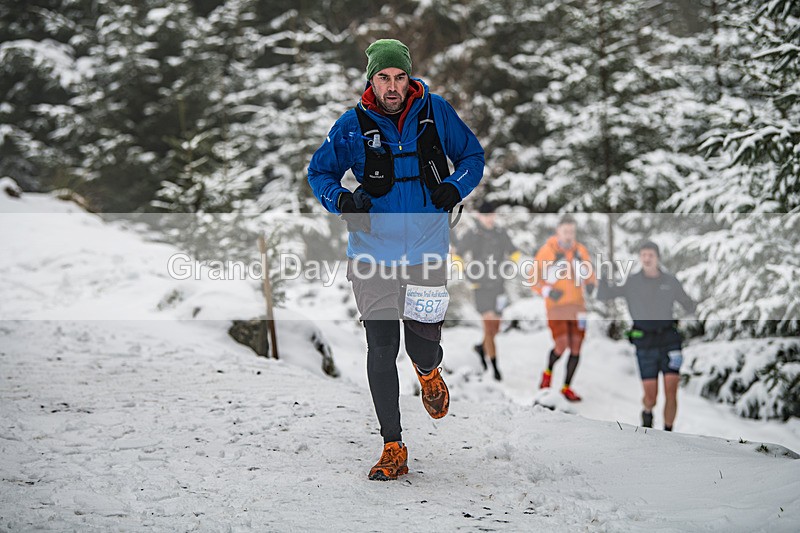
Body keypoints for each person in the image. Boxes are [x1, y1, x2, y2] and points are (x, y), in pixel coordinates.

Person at [307, 39, 484, 480]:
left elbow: (473, 157)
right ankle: (393, 444)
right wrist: (341, 201)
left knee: (421, 344)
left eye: (399, 77)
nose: (392, 86)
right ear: (371, 80)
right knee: (382, 347)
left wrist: (456, 187)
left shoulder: (435, 112)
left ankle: (428, 371)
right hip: (371, 254)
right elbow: (319, 173)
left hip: (426, 250)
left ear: (409, 79)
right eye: (383, 78)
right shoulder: (351, 125)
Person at [597, 240, 696, 431]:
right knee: (651, 396)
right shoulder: (632, 282)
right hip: (645, 343)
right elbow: (604, 295)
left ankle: (669, 432)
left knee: (671, 391)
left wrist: (690, 312)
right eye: (644, 255)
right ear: (640, 258)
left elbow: (688, 304)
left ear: (657, 258)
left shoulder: (670, 281)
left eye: (651, 255)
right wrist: (605, 274)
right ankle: (647, 415)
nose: (647, 258)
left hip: (669, 341)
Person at [451, 200, 521, 380]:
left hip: (498, 286)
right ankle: (495, 368)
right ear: (479, 216)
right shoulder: (473, 234)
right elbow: (456, 254)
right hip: (480, 286)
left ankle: (481, 348)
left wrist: (508, 267)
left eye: (491, 215)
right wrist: (466, 273)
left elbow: (515, 253)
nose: (489, 219)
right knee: (489, 326)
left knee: (494, 329)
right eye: (486, 216)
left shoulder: (500, 233)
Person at [531, 215, 596, 401]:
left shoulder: (580, 250)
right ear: (558, 231)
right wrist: (547, 291)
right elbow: (533, 278)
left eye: (572, 232)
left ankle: (567, 387)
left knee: (576, 346)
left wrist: (591, 284)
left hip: (578, 305)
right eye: (565, 231)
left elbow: (589, 272)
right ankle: (547, 376)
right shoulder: (547, 251)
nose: (569, 235)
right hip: (556, 306)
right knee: (562, 344)